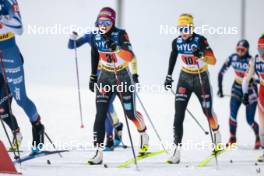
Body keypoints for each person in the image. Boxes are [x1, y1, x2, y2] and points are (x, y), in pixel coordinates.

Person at [68, 7, 149, 165]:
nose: (103, 25)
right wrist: (92, 76)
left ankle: (144, 134)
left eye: (107, 22)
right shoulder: (95, 35)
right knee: (100, 114)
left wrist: (117, 49)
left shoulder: (120, 34)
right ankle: (98, 153)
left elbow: (130, 55)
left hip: (122, 75)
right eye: (100, 22)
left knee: (130, 113)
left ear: (113, 22)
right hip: (104, 76)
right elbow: (95, 54)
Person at [164, 13, 222, 164]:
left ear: (192, 28)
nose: (184, 32)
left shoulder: (200, 40)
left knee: (207, 111)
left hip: (200, 78)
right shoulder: (176, 42)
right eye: (181, 28)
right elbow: (173, 57)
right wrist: (169, 76)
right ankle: (176, 151)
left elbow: (213, 60)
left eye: (187, 28)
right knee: (178, 115)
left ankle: (216, 133)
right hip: (184, 79)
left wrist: (201, 55)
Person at [0, 0, 44, 154]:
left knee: (20, 99)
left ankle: (37, 126)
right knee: (1, 107)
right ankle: (15, 133)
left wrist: (3, 18)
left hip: (8, 53)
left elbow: (19, 28)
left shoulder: (7, 1)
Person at [218, 39, 260, 149]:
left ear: (247, 50)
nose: (240, 52)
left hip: (250, 90)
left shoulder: (251, 60)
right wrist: (220, 89)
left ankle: (259, 137)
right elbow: (221, 72)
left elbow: (257, 78)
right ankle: (232, 138)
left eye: (243, 50)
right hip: (236, 88)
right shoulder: (232, 57)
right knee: (232, 115)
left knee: (249, 120)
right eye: (238, 49)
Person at [243, 34, 264, 161]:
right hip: (262, 92)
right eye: (260, 49)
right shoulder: (255, 60)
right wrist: (245, 93)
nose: (262, 53)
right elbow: (246, 78)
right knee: (262, 127)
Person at [0, 74, 23, 151]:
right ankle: (17, 134)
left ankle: (17, 134)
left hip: (7, 78)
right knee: (3, 111)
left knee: (3, 110)